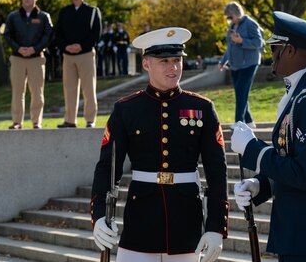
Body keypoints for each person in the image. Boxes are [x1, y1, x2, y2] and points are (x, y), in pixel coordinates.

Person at [90, 27, 229, 262]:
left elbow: (217, 171)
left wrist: (216, 227)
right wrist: (100, 215)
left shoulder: (202, 108)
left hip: (186, 221)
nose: (173, 67)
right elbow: (107, 167)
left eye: (177, 60)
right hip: (140, 220)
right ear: (146, 64)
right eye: (164, 61)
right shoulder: (126, 109)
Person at [231, 11, 306, 262]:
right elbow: (290, 161)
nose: (271, 55)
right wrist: (259, 185)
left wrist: (253, 149)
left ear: (291, 51)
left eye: (275, 48)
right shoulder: (301, 95)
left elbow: (303, 174)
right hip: (297, 232)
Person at [3, 0, 53, 129]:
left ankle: (36, 122)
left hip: (36, 59)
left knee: (37, 92)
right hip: (18, 58)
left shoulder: (44, 17)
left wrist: (35, 49)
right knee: (18, 92)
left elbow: (48, 35)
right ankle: (17, 122)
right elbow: (7, 35)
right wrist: (18, 48)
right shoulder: (13, 16)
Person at [55, 0, 102, 128]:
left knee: (88, 88)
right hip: (68, 55)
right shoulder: (64, 12)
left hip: (86, 54)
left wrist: (82, 46)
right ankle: (70, 120)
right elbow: (58, 33)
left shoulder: (92, 11)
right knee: (69, 89)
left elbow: (96, 33)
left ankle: (90, 120)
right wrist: (66, 46)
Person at [218, 1, 264, 129]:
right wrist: (223, 61)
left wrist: (241, 40)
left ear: (237, 14)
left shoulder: (250, 24)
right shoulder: (233, 26)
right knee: (240, 93)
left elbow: (258, 43)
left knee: (241, 92)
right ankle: (249, 121)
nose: (229, 20)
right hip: (235, 65)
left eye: (230, 17)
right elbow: (230, 47)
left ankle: (239, 122)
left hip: (249, 64)